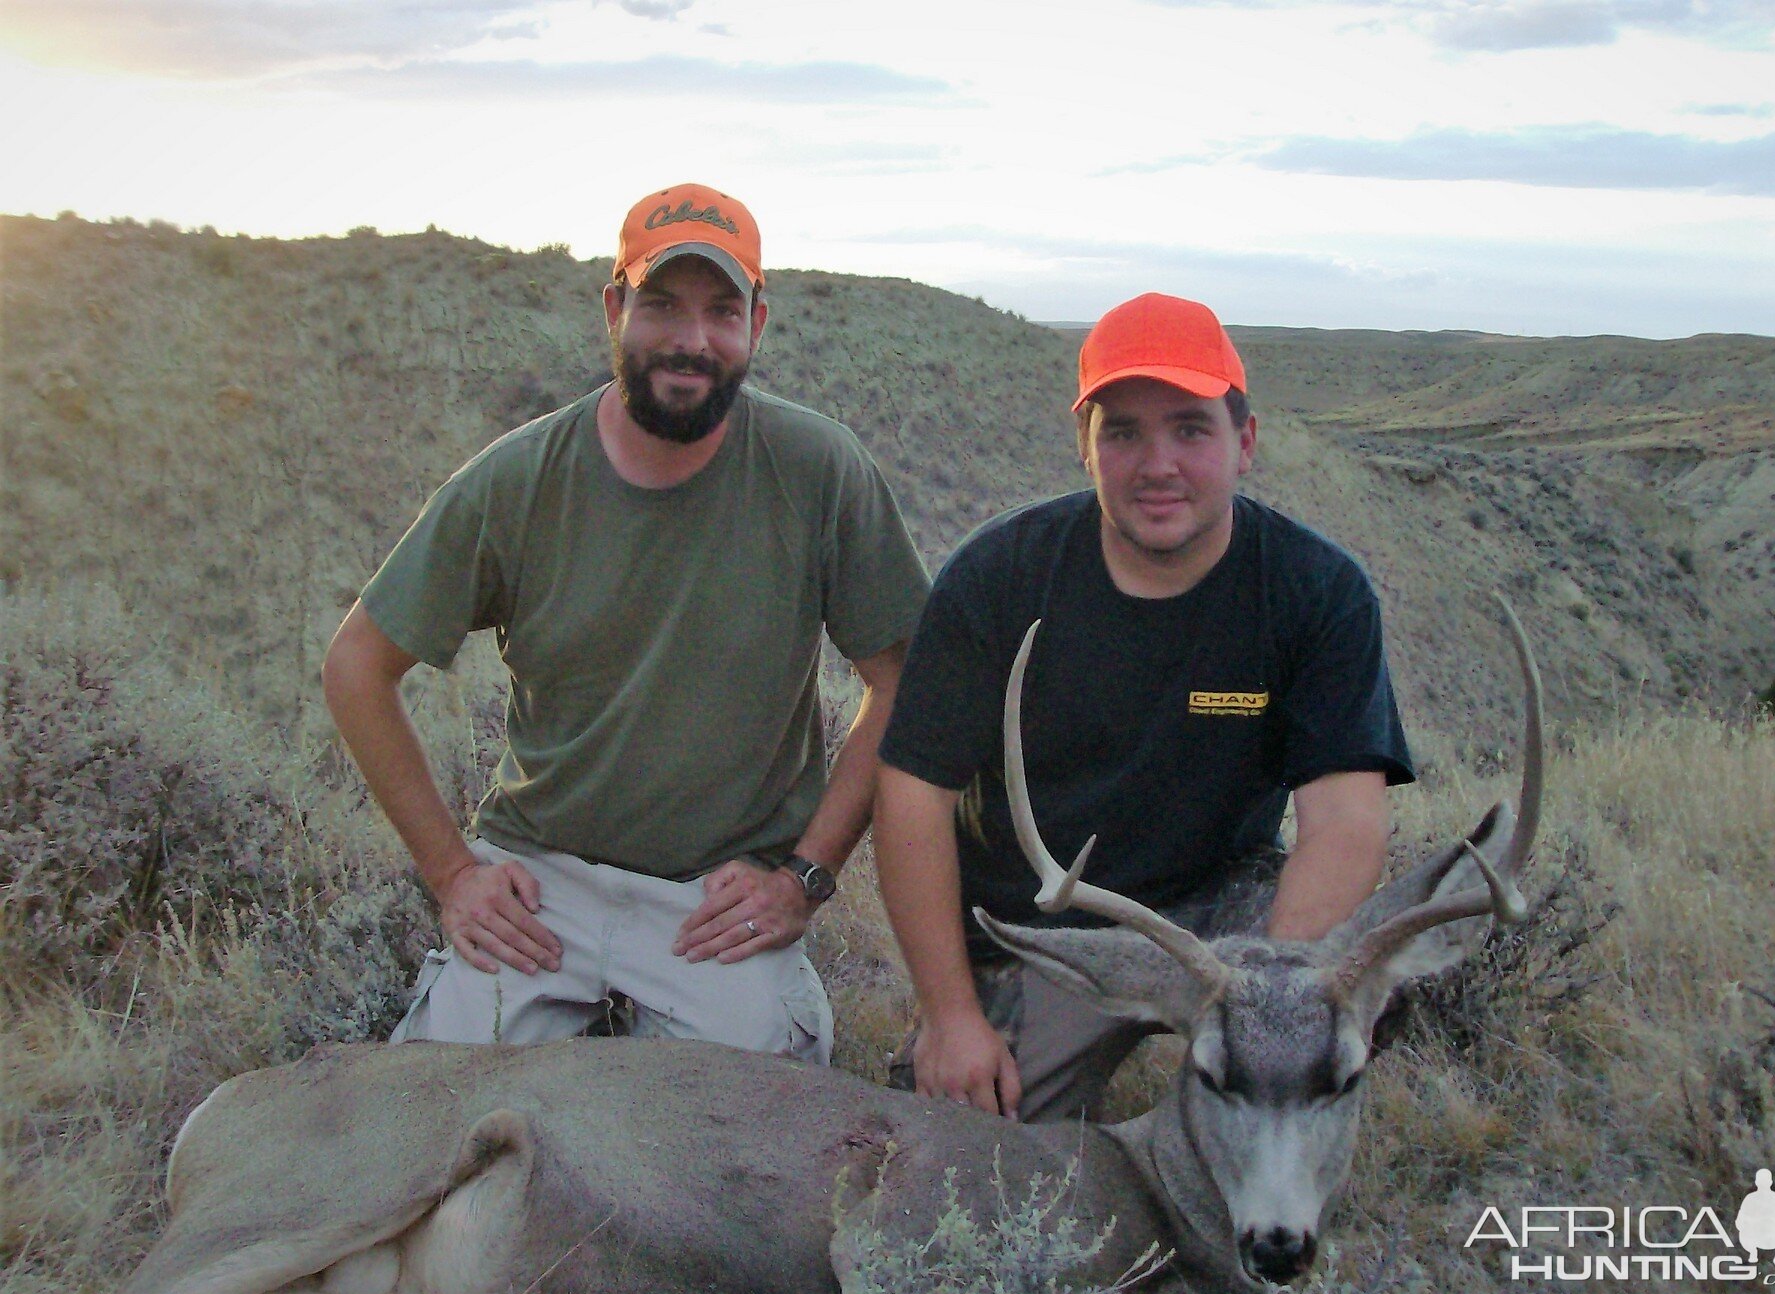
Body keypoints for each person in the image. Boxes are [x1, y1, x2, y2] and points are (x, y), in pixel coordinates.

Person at [322, 182, 929, 1063]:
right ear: (615, 309)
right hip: (540, 884)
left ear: (757, 324)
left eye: (722, 311)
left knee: (755, 1148)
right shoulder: (517, 478)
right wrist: (455, 875)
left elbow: (902, 679)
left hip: (713, 904)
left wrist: (802, 877)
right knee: (433, 1106)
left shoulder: (817, 469)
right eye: (662, 306)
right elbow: (356, 666)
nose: (691, 340)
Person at [875, 292, 1413, 1119]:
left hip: (1219, 909)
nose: (1156, 464)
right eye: (1122, 431)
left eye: (1190, 429)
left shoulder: (1317, 589)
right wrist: (950, 1017)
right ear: (1084, 447)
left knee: (1335, 999)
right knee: (966, 1141)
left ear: (1245, 443)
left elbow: (1343, 824)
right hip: (1051, 927)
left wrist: (1265, 1005)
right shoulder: (997, 576)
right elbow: (912, 796)